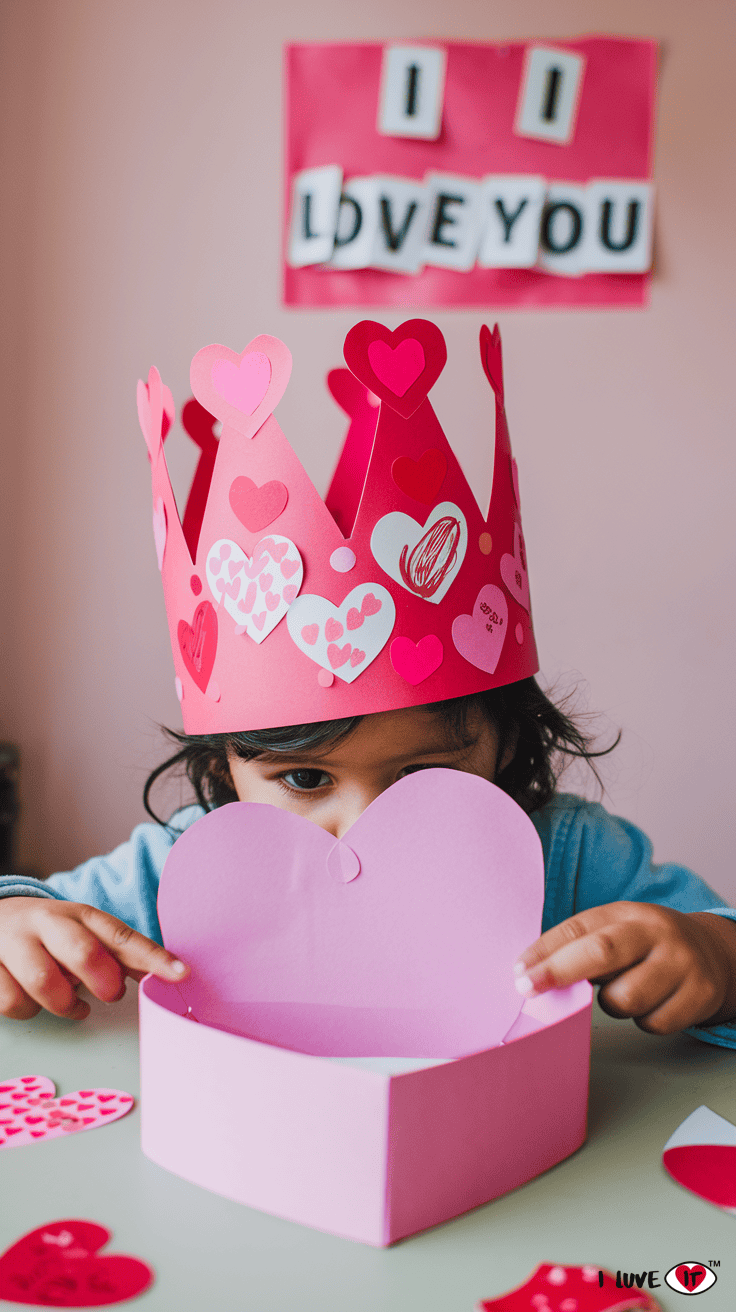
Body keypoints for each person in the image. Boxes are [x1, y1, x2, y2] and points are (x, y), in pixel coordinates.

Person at [1, 320, 734, 1047]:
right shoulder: (187, 867)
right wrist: (18, 924)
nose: (366, 831)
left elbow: (717, 948)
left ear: (505, 739)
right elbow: (34, 914)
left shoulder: (567, 857)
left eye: (421, 772)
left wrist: (713, 963)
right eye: (307, 778)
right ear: (226, 764)